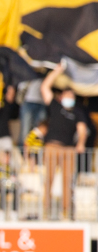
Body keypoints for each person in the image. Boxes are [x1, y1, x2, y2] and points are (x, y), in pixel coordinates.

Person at [40, 64, 87, 220]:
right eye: (67, 96)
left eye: (72, 97)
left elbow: (82, 130)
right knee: (49, 179)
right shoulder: (55, 106)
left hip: (68, 150)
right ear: (62, 97)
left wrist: (81, 143)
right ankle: (46, 210)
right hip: (52, 147)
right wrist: (57, 71)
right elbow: (45, 87)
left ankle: (66, 212)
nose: (70, 99)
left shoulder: (77, 112)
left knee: (68, 181)